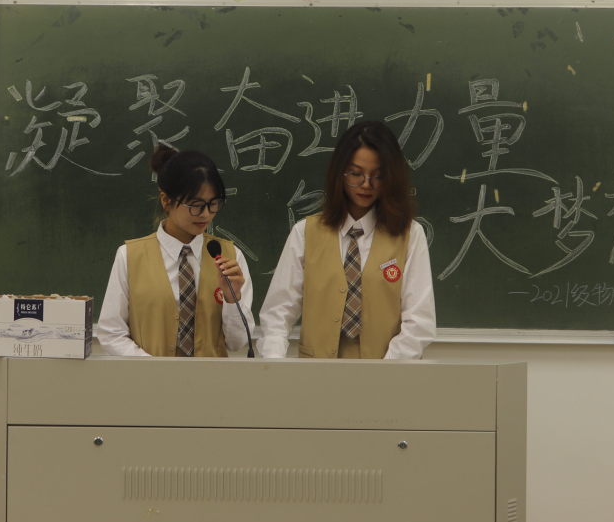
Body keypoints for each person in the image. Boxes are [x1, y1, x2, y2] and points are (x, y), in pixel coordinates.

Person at [258, 120, 435, 359]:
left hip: (387, 373)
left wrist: (385, 371)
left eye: (378, 176)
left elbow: (419, 322)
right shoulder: (305, 233)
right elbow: (278, 313)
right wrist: (274, 365)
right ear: (339, 173)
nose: (366, 185)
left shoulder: (410, 235)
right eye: (356, 174)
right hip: (316, 374)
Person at [97, 145, 255, 357]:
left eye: (214, 204)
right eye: (196, 205)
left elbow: (237, 343)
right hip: (148, 376)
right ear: (166, 200)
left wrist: (231, 298)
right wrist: (157, 369)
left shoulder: (230, 256)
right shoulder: (129, 256)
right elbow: (111, 333)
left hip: (212, 378)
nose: (206, 214)